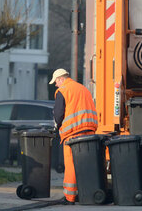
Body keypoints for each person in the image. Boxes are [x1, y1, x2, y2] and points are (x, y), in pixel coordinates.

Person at [49, 68, 98, 205]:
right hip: (89, 130)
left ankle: (70, 197)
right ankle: (87, 194)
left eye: (56, 82)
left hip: (72, 133)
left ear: (61, 79)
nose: (56, 85)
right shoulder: (82, 88)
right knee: (85, 164)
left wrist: (56, 127)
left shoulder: (63, 91)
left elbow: (58, 114)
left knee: (71, 165)